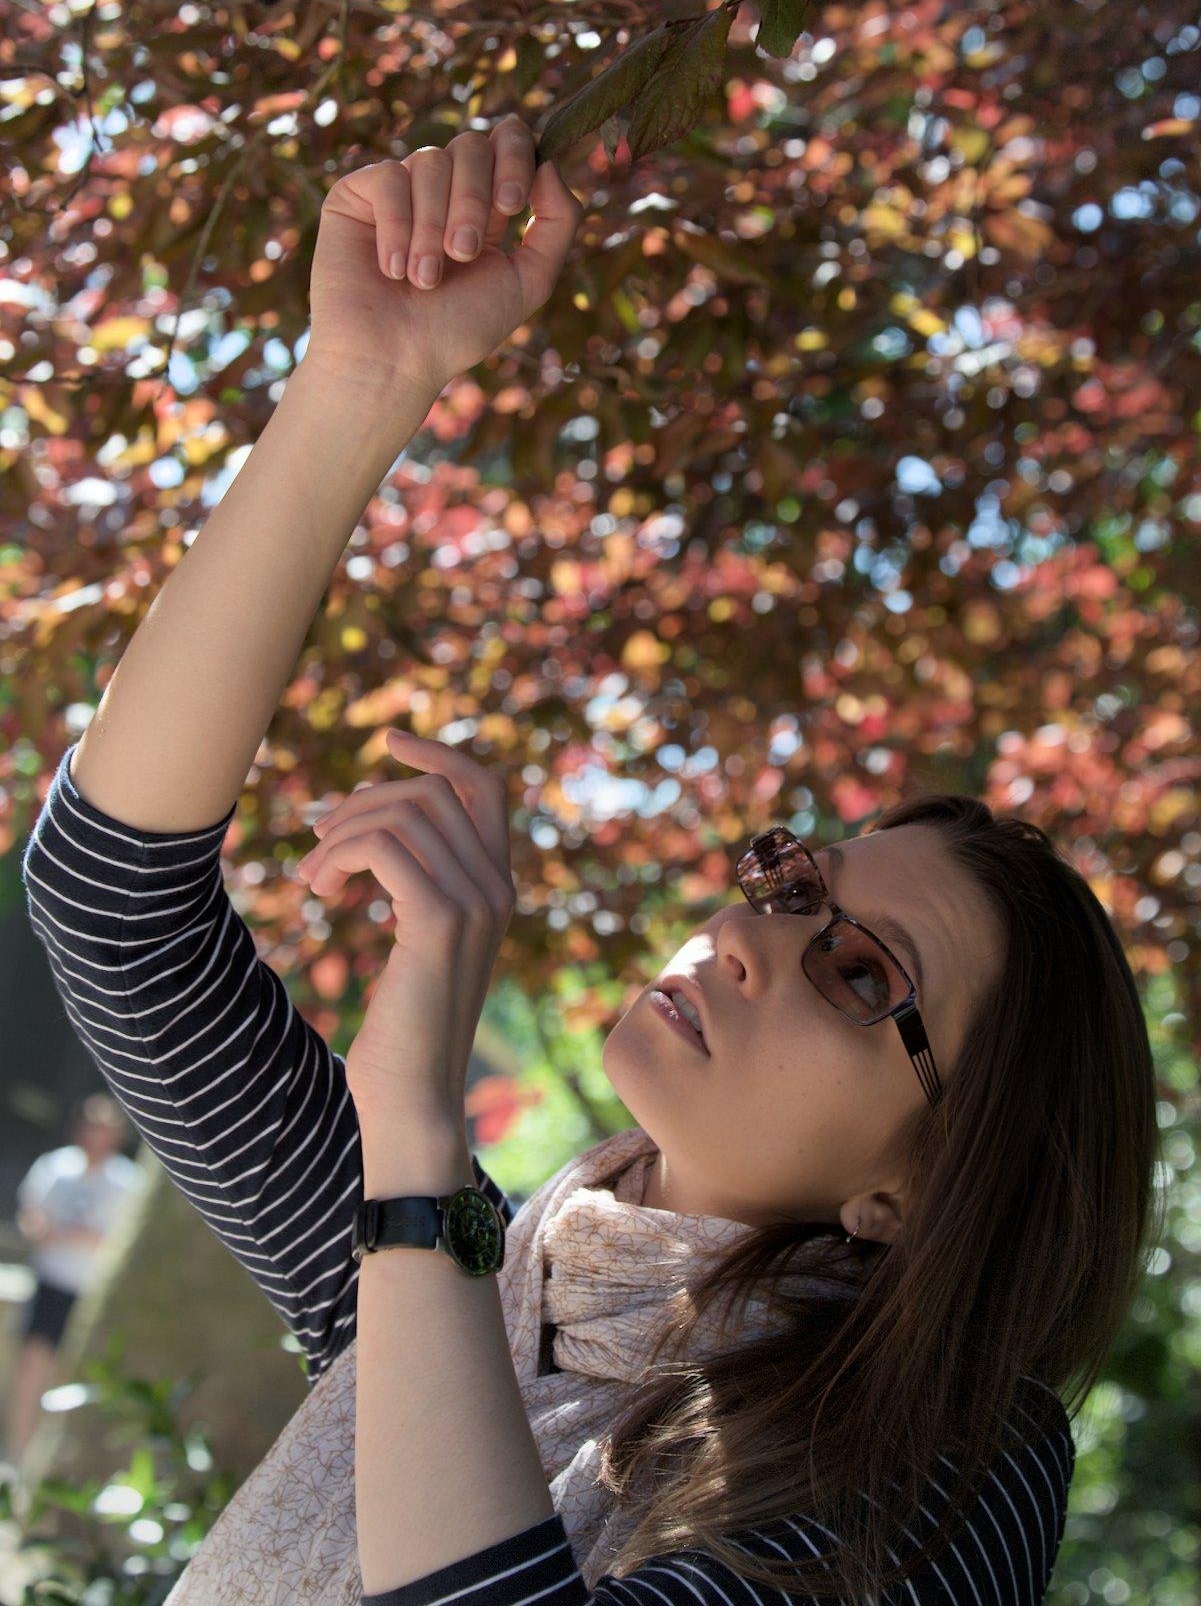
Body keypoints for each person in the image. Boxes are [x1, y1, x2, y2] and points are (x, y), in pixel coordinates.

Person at [19, 118, 1161, 1603]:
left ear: (928, 1189)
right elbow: (115, 908)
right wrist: (363, 382)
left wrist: (415, 1152)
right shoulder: (490, 1293)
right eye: (792, 882)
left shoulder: (956, 1471)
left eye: (860, 969)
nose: (749, 936)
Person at [6, 1095, 145, 1468]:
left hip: (89, 1292)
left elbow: (114, 1239)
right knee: (32, 1367)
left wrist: (68, 1234)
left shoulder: (126, 1181)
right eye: (91, 1124)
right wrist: (44, 1229)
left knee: (71, 1376)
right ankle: (19, 1457)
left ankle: (49, 1466)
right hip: (50, 1281)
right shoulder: (55, 1166)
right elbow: (30, 1216)